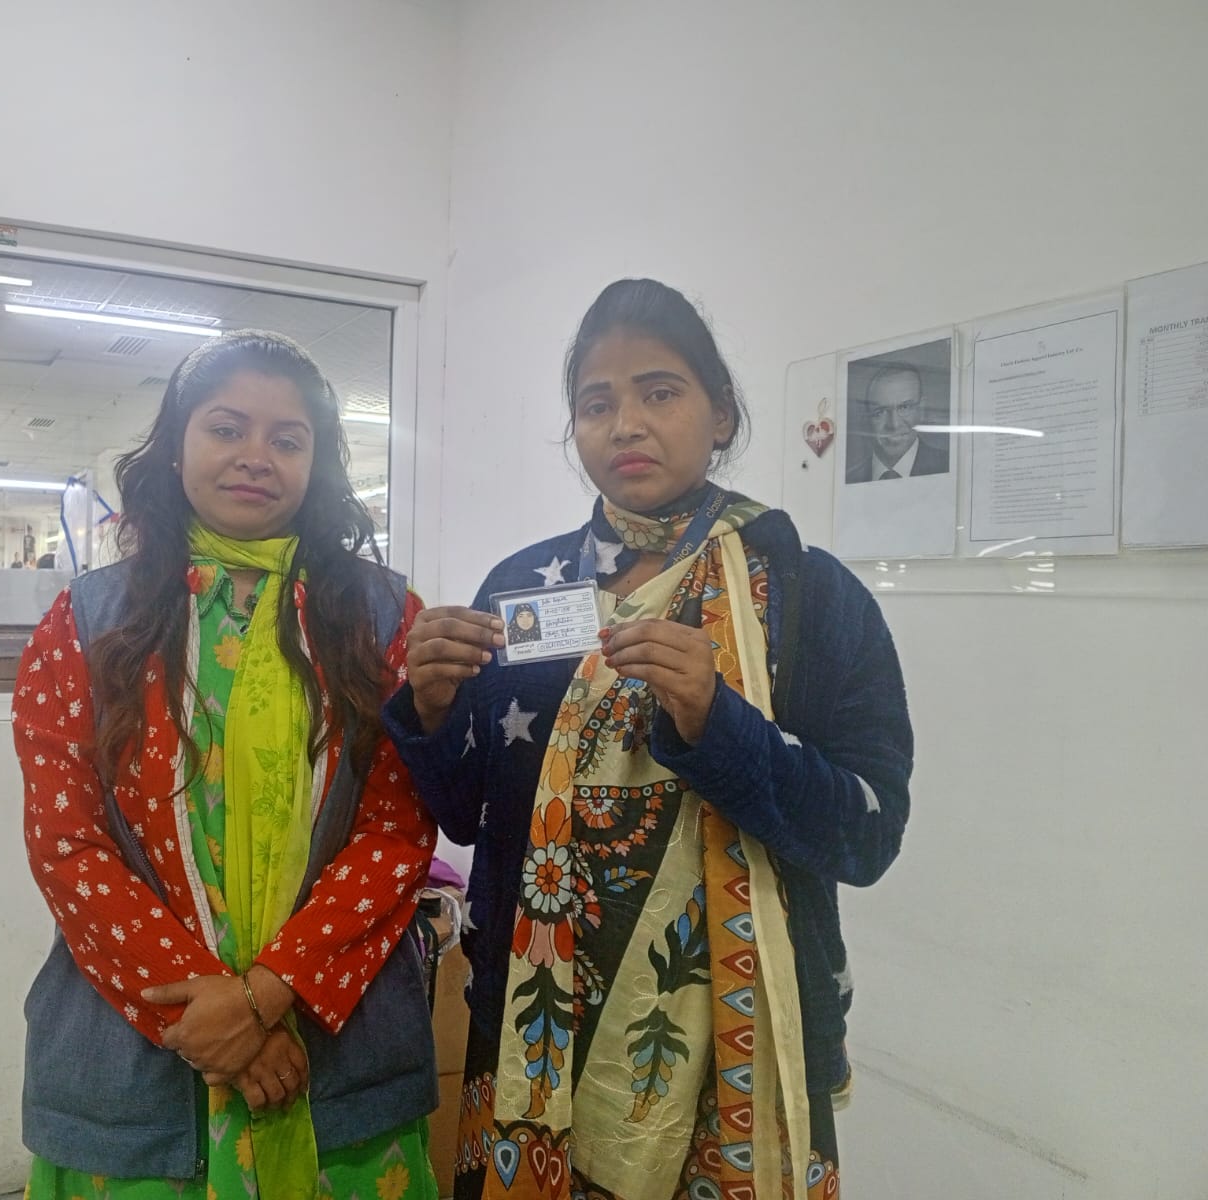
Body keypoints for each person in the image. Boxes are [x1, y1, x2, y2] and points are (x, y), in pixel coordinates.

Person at [385, 279, 913, 1200]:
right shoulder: (526, 585)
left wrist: (719, 723)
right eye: (597, 403)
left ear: (721, 414)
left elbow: (866, 835)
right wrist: (429, 710)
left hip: (731, 1061)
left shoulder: (808, 595)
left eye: (659, 392)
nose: (626, 424)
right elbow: (469, 817)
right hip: (536, 1035)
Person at [13, 330, 441, 1200]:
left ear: (317, 464)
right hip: (140, 1061)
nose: (256, 457)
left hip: (338, 1049)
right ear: (176, 448)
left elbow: (396, 831)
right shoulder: (87, 621)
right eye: (226, 428)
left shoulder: (383, 618)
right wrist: (213, 1020)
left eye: (288, 439)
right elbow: (67, 844)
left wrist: (267, 995)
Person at [845, 365, 947, 482]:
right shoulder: (850, 479)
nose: (894, 424)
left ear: (922, 409)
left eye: (904, 407)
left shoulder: (947, 464)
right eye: (880, 412)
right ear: (867, 418)